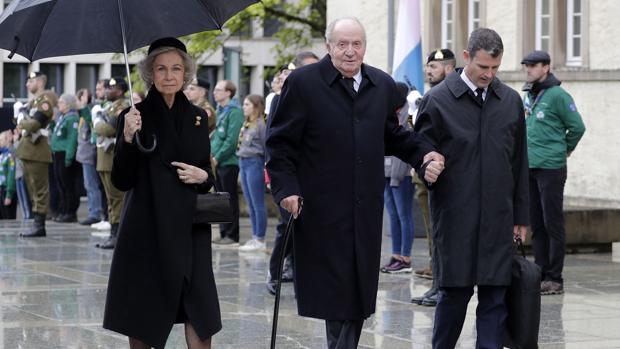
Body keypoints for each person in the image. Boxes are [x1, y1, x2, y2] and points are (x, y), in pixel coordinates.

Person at [266, 17, 443, 348]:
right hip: (321, 208)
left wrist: (424, 155)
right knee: (336, 293)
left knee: (359, 291)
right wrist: (286, 189)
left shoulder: (380, 84)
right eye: (342, 44)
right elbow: (280, 144)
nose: (350, 51)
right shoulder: (303, 83)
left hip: (365, 208)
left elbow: (393, 135)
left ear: (364, 45)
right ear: (328, 46)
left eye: (356, 44)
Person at [414, 28, 529, 349]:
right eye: (483, 68)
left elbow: (520, 163)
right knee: (454, 296)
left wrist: (521, 216)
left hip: (498, 219)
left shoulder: (509, 101)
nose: (489, 75)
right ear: (466, 58)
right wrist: (427, 167)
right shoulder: (436, 101)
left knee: (495, 298)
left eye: (495, 68)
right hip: (455, 219)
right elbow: (420, 152)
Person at [103, 37, 220, 349]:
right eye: (161, 68)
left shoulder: (198, 117)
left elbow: (206, 172)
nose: (169, 75)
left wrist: (204, 175)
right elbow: (121, 180)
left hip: (189, 229)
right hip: (147, 227)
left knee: (200, 311)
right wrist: (127, 137)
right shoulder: (133, 116)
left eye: (176, 68)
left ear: (186, 74)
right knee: (144, 313)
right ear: (149, 74)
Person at [521, 50, 586, 296]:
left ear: (546, 67)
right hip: (530, 165)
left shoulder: (558, 95)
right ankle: (540, 272)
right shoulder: (528, 94)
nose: (528, 69)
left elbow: (577, 127)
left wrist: (564, 150)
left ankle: (555, 277)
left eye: (533, 65)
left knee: (552, 222)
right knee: (536, 223)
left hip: (551, 167)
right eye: (526, 65)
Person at [265, 52, 319, 295]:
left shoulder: (323, 98)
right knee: (286, 227)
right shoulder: (281, 98)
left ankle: (299, 273)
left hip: (315, 176)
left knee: (308, 230)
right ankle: (275, 272)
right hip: (290, 176)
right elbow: (273, 142)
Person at [411, 48, 456, 307]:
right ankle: (436, 283)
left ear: (449, 69)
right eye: (428, 68)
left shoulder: (450, 97)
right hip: (424, 174)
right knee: (432, 234)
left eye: (434, 68)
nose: (428, 71)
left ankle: (443, 286)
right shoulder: (430, 95)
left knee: (442, 235)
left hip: (443, 176)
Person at [15, 71, 58, 237]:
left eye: (30, 81)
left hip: (38, 150)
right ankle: (36, 222)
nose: (27, 84)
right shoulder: (33, 102)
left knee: (39, 189)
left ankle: (39, 224)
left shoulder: (44, 101)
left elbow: (34, 124)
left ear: (40, 82)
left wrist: (20, 120)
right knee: (32, 188)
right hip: (28, 150)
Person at [380, 82, 415, 274]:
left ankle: (406, 257)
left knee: (404, 215)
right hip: (386, 172)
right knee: (392, 215)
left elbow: (405, 146)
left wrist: (396, 175)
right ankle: (396, 254)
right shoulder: (389, 113)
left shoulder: (407, 116)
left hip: (401, 175)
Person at [93, 77, 130, 249]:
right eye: (106, 87)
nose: (107, 90)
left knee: (116, 198)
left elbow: (110, 129)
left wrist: (97, 123)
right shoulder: (110, 107)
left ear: (121, 90)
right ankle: (114, 233)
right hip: (104, 157)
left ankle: (117, 234)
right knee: (110, 199)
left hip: (112, 158)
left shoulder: (122, 106)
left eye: (111, 88)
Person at [210, 80, 244, 246]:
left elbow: (231, 140)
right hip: (217, 161)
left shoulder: (235, 112)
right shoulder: (220, 110)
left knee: (229, 199)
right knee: (220, 199)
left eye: (218, 90)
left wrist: (217, 157)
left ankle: (232, 234)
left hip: (228, 162)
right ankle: (224, 232)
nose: (214, 92)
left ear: (228, 93)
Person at [237, 94, 268, 252]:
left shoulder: (261, 124)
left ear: (256, 106)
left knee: (257, 203)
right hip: (243, 161)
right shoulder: (247, 123)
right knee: (249, 202)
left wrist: (266, 167)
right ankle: (254, 236)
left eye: (247, 104)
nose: (244, 107)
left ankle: (260, 238)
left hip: (255, 162)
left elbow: (266, 146)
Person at [76, 88, 105, 226]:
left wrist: (84, 104)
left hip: (89, 153)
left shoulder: (91, 110)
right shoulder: (84, 113)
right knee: (89, 185)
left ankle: (95, 213)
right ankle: (93, 211)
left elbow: (90, 123)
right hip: (84, 154)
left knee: (92, 185)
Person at [50, 93, 80, 223]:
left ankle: (70, 212)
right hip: (57, 154)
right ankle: (63, 210)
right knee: (61, 185)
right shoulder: (63, 117)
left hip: (65, 155)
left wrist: (69, 157)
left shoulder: (72, 118)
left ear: (68, 104)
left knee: (68, 185)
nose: (58, 105)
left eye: (61, 102)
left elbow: (72, 139)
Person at [0, 130, 17, 219]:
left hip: (7, 190)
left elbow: (11, 175)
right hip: (1, 190)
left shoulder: (10, 156)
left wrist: (9, 195)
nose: (0, 142)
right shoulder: (2, 155)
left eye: (1, 140)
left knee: (8, 218)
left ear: (7, 140)